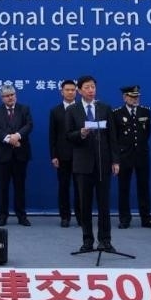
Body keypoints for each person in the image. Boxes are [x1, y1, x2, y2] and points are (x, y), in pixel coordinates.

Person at [66, 75, 119, 252]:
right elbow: (68, 135)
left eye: (93, 87)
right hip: (83, 164)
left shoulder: (104, 108)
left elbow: (112, 136)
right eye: (87, 87)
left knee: (104, 205)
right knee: (85, 205)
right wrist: (80, 133)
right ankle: (87, 241)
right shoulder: (72, 110)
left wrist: (115, 160)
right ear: (79, 90)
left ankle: (105, 240)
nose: (91, 90)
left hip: (103, 163)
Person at [112, 85, 151, 229]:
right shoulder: (116, 113)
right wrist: (116, 158)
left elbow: (147, 133)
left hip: (141, 155)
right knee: (124, 188)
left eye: (137, 96)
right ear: (124, 97)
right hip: (124, 156)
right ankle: (124, 218)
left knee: (143, 187)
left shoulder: (146, 111)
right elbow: (114, 138)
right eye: (132, 97)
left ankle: (146, 219)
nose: (135, 99)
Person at [0, 85, 33, 226]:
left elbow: (29, 125)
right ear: (2, 98)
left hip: (20, 154)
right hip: (2, 155)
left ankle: (21, 216)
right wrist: (9, 138)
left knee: (20, 187)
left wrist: (17, 136)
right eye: (7, 96)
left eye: (12, 94)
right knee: (2, 187)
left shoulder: (24, 109)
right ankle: (2, 216)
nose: (10, 97)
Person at [48, 79, 80, 228]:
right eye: (67, 90)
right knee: (64, 187)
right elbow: (52, 135)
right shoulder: (55, 111)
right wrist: (53, 155)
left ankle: (81, 216)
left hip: (80, 154)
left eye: (73, 90)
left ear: (77, 92)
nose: (70, 92)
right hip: (62, 155)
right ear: (62, 92)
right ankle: (65, 216)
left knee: (80, 188)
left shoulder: (82, 109)